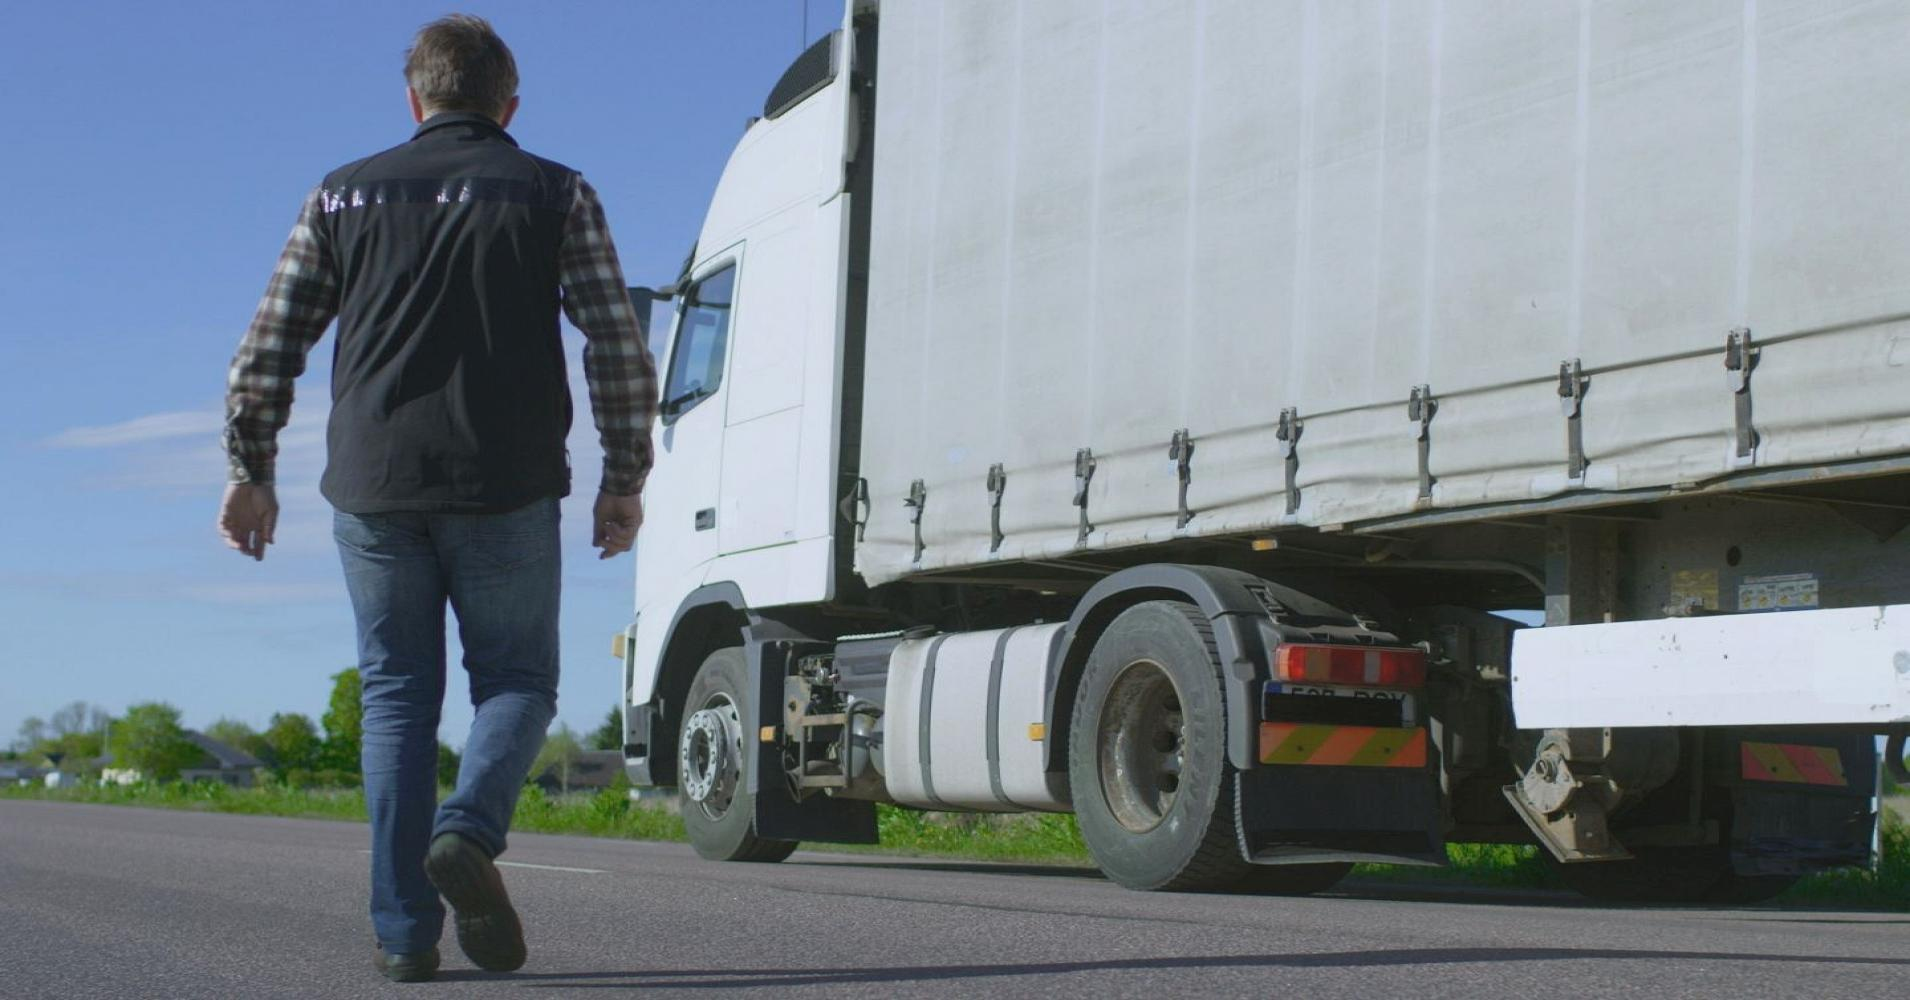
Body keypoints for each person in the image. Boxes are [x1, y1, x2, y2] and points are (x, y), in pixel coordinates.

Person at [217, 14, 656, 983]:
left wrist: (251, 470)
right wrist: (624, 477)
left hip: (372, 487)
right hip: (505, 482)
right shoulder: (554, 192)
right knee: (514, 684)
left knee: (395, 699)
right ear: (507, 105)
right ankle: (467, 829)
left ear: (413, 101)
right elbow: (617, 345)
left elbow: (268, 347)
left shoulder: (339, 195)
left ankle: (405, 936)